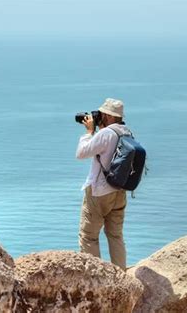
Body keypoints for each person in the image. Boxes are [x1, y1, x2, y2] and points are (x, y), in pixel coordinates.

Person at [75, 98, 132, 270]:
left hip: (99, 192)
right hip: (119, 191)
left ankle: (95, 277)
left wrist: (89, 132)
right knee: (115, 236)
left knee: (88, 237)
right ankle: (121, 275)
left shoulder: (105, 134)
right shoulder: (127, 132)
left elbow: (81, 153)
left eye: (101, 114)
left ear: (107, 116)